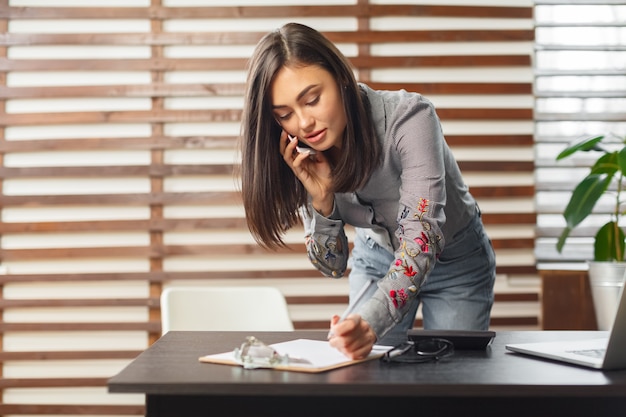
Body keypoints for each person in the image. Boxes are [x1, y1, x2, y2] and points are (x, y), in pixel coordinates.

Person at [239, 22, 496, 360]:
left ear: (342, 78)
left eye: (313, 99)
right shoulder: (303, 153)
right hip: (375, 259)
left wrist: (371, 322)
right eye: (285, 114)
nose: (303, 123)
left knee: (454, 380)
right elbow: (331, 265)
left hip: (456, 263)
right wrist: (322, 201)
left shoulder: (410, 119)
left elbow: (420, 242)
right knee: (362, 374)